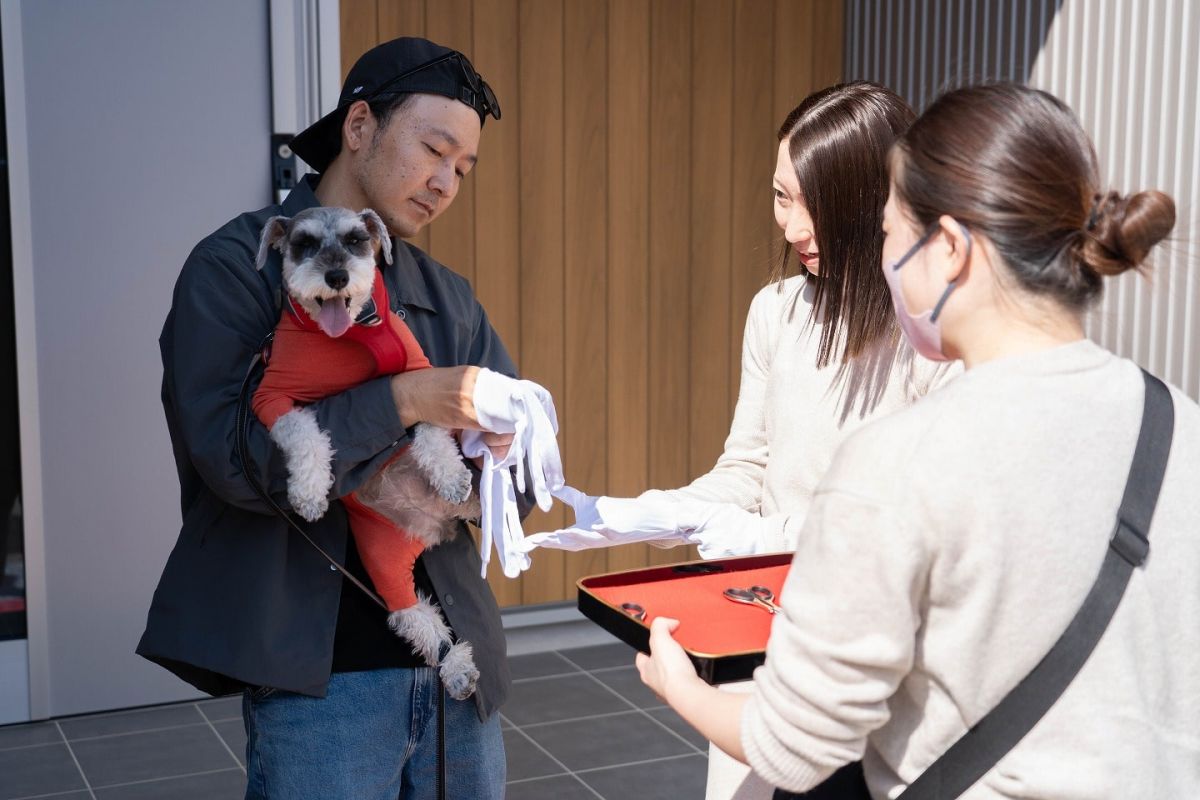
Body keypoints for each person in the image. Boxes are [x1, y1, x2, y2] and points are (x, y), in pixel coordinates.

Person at [637, 82, 1200, 798]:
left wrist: (678, 680)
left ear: (952, 251)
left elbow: (796, 746)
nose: (881, 255)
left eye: (887, 231)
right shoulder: (1178, 423)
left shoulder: (898, 460)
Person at [530, 82, 953, 800]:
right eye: (782, 196)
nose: (793, 226)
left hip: (873, 667)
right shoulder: (777, 312)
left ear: (873, 204)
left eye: (815, 202)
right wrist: (663, 511)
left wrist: (745, 535)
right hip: (760, 644)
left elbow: (907, 532)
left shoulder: (930, 337)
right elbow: (747, 466)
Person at [138, 37, 528, 800]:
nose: (446, 182)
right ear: (359, 128)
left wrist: (508, 452)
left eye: (464, 167)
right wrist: (406, 402)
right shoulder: (237, 270)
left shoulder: (447, 294)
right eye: (434, 149)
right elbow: (233, 461)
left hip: (457, 668)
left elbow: (507, 481)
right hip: (320, 688)